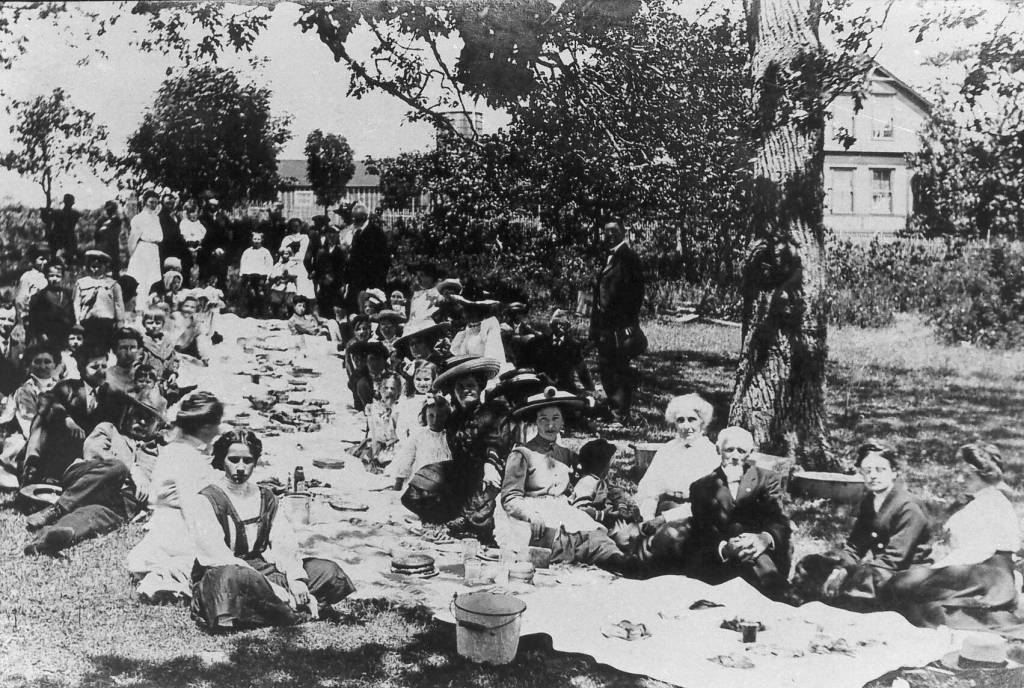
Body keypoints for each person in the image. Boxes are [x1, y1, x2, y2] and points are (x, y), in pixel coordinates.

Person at [187, 430, 355, 631]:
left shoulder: (265, 497)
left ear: (255, 462)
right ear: (222, 460)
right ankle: (289, 608)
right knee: (228, 580)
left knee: (327, 571)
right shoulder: (207, 499)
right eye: (233, 459)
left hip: (262, 568)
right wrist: (272, 588)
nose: (240, 467)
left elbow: (284, 543)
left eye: (247, 460)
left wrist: (296, 579)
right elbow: (216, 555)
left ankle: (271, 609)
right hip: (225, 572)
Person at [885, 443, 1024, 634]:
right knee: (904, 586)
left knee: (904, 585)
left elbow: (977, 551)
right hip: (976, 568)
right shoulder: (980, 501)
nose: (959, 479)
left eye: (967, 476)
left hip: (987, 575)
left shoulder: (992, 504)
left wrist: (934, 570)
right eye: (959, 473)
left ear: (984, 475)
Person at [798, 440, 933, 610]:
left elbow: (894, 559)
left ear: (894, 472)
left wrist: (851, 573)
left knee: (863, 580)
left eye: (880, 470)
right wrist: (840, 569)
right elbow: (855, 546)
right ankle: (804, 607)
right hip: (877, 569)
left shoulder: (908, 507)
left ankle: (834, 611)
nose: (873, 475)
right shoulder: (870, 501)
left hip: (905, 574)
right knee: (811, 564)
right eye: (867, 470)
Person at [23, 396, 163, 556]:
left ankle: (47, 539)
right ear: (128, 414)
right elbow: (93, 452)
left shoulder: (159, 453)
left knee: (92, 515)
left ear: (157, 426)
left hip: (120, 502)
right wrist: (133, 469)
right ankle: (56, 509)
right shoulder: (109, 429)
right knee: (118, 467)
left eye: (149, 419)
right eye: (138, 416)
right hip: (90, 479)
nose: (143, 422)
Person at [402, 356, 510, 542]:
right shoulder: (453, 418)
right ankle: (446, 517)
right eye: (460, 387)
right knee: (417, 490)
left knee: (479, 519)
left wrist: (490, 464)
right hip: (459, 473)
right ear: (453, 391)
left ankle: (464, 521)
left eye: (471, 385)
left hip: (487, 474)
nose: (466, 390)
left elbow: (496, 440)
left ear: (480, 386)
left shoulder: (492, 411)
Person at [128, 391, 223, 601]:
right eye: (217, 424)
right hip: (177, 529)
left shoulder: (180, 448)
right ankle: (164, 580)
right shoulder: (185, 457)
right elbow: (192, 508)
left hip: (167, 524)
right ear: (206, 427)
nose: (219, 429)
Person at [683, 426, 791, 597]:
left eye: (741, 451)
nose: (734, 456)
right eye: (729, 450)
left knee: (757, 560)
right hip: (721, 558)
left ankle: (780, 598)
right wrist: (724, 549)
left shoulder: (767, 479)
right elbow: (702, 530)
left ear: (750, 453)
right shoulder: (701, 487)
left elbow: (779, 520)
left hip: (761, 552)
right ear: (718, 449)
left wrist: (763, 538)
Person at [499, 388, 601, 546]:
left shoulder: (567, 455)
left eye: (555, 418)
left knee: (594, 535)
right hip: (534, 514)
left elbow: (587, 481)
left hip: (561, 510)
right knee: (575, 543)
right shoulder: (522, 454)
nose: (550, 425)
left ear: (562, 422)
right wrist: (530, 515)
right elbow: (510, 497)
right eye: (543, 419)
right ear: (536, 422)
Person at [18, 344, 121, 486]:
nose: (101, 371)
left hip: (91, 450)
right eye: (94, 367)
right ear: (81, 369)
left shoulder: (110, 393)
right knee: (41, 418)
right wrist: (67, 420)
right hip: (63, 446)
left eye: (104, 366)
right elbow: (45, 400)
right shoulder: (69, 387)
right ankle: (32, 467)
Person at [589, 217, 645, 423]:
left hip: (619, 326)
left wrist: (627, 324)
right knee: (606, 368)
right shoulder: (608, 257)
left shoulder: (629, 258)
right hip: (603, 326)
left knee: (618, 368)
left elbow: (635, 295)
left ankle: (620, 413)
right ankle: (614, 408)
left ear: (623, 231)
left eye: (614, 230)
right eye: (606, 231)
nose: (609, 235)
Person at [635, 393, 719, 522]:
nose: (686, 426)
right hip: (661, 508)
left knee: (669, 537)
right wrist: (647, 518)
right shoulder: (667, 450)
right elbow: (649, 489)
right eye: (680, 420)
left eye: (692, 419)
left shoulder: (710, 453)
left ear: (702, 422)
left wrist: (664, 519)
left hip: (690, 515)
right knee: (625, 537)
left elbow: (707, 502)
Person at [388, 394, 451, 492]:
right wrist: (399, 481)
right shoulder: (418, 435)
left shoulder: (449, 436)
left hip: (442, 479)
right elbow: (407, 458)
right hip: (421, 478)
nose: (435, 420)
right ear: (425, 416)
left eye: (441, 416)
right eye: (431, 415)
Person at [530, 309, 595, 395]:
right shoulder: (541, 341)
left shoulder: (573, 345)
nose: (560, 328)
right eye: (557, 324)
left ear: (567, 327)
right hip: (543, 388)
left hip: (566, 389)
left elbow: (582, 370)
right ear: (552, 325)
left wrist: (591, 390)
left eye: (563, 325)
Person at [73, 250, 125, 350]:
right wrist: (77, 322)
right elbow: (76, 303)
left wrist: (120, 324)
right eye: (93, 266)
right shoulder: (81, 283)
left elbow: (119, 306)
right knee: (87, 350)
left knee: (106, 350)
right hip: (87, 324)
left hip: (107, 325)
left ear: (105, 266)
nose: (95, 269)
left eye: (99, 266)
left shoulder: (113, 284)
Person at [343, 202, 389, 312]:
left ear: (364, 217)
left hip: (371, 282)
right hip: (355, 281)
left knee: (369, 311)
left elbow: (383, 260)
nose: (355, 222)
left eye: (358, 219)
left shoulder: (376, 233)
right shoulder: (356, 232)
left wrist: (376, 284)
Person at [126, 191, 165, 300]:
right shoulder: (139, 218)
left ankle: (147, 303)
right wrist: (133, 256)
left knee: (152, 279)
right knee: (141, 278)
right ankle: (137, 305)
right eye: (151, 202)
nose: (153, 205)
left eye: (156, 203)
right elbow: (132, 239)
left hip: (154, 250)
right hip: (143, 249)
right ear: (145, 202)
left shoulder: (156, 218)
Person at [26, 262, 74, 346]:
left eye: (58, 276)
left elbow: (72, 315)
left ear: (62, 277)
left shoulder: (68, 294)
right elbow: (35, 320)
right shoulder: (39, 297)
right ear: (46, 276)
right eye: (51, 275)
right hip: (47, 337)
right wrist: (42, 334)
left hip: (65, 335)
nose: (54, 279)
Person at [449, 297, 507, 365]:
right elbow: (458, 353)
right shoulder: (466, 332)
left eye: (471, 311)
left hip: (485, 366)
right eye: (466, 310)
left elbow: (492, 353)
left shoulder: (489, 326)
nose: (465, 314)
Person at [310, 225, 346, 315]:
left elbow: (344, 268)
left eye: (334, 234)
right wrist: (318, 281)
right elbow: (317, 267)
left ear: (337, 236)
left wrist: (343, 284)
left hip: (336, 284)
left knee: (336, 308)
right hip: (324, 284)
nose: (331, 236)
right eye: (329, 234)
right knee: (323, 307)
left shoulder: (341, 250)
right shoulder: (321, 251)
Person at [238, 231, 274, 317]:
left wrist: (268, 277)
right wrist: (242, 274)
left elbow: (269, 264)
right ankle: (249, 313)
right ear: (251, 240)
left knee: (261, 295)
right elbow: (243, 263)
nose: (256, 241)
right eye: (255, 239)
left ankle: (261, 313)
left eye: (258, 239)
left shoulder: (265, 252)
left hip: (261, 276)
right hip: (249, 276)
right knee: (250, 294)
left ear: (262, 240)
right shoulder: (247, 251)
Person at [178, 200, 207, 287]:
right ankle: (187, 284)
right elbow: (184, 237)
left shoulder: (199, 224)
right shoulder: (184, 223)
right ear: (187, 213)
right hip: (188, 248)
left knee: (200, 267)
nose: (193, 215)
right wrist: (190, 246)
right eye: (191, 212)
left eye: (195, 212)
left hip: (198, 248)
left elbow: (202, 235)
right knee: (188, 267)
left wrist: (199, 244)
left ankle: (200, 283)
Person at [46, 193, 81, 264]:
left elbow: (49, 222)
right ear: (72, 203)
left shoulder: (57, 212)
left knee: (56, 258)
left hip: (60, 238)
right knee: (67, 259)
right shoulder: (75, 213)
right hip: (67, 239)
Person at [15, 248, 49, 318]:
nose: (45, 262)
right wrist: (20, 319)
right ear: (33, 260)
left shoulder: (49, 276)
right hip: (32, 314)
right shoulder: (27, 276)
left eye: (46, 258)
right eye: (41, 259)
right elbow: (20, 300)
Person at [106, 328, 142, 393]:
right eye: (123, 348)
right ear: (115, 350)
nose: (128, 353)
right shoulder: (106, 377)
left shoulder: (143, 376)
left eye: (133, 348)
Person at [94, 201, 125, 275]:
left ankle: (115, 276)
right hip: (104, 244)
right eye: (109, 209)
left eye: (112, 209)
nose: (110, 211)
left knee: (115, 266)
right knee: (102, 265)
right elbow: (96, 234)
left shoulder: (116, 219)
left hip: (113, 244)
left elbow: (117, 231)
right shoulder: (101, 220)